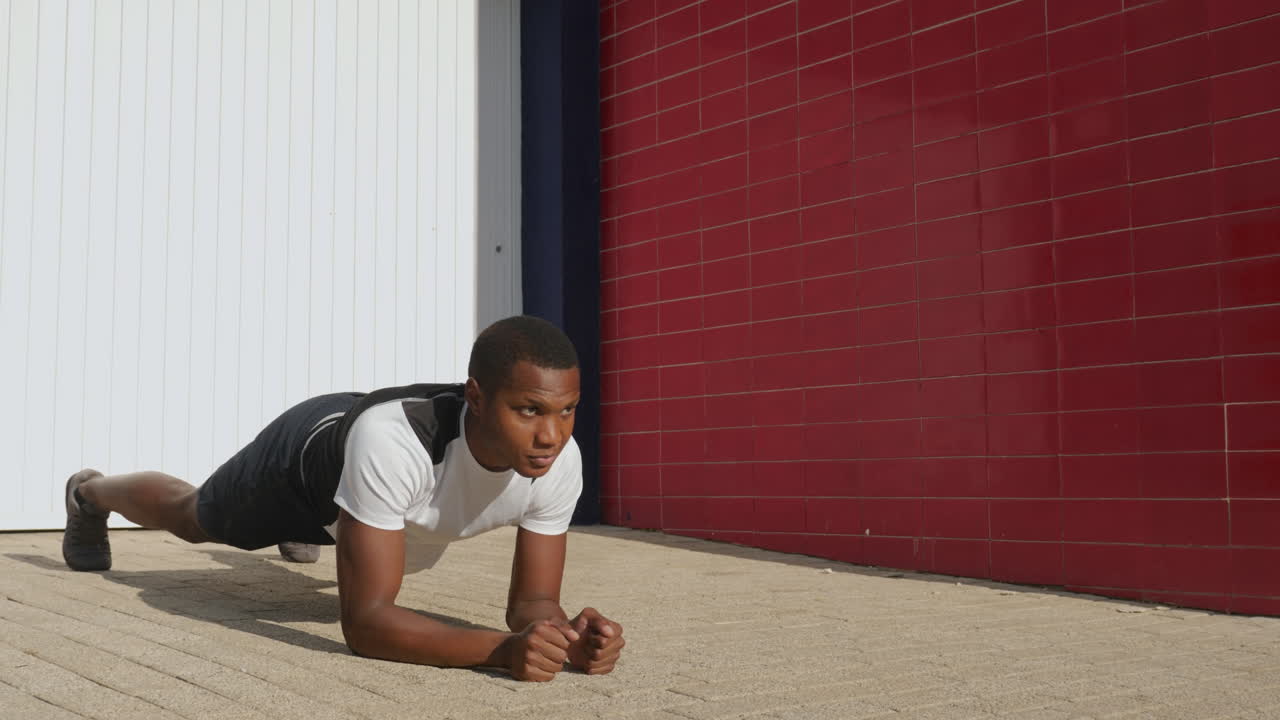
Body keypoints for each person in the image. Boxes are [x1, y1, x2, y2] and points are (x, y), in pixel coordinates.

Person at [61, 315, 624, 681]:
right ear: (476, 397)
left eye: (566, 409)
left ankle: (328, 526)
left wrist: (564, 639)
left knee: (359, 516)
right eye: (528, 409)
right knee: (195, 517)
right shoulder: (397, 445)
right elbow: (367, 624)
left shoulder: (558, 462)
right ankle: (90, 493)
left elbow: (531, 606)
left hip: (361, 481)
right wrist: (502, 651)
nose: (551, 435)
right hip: (305, 460)